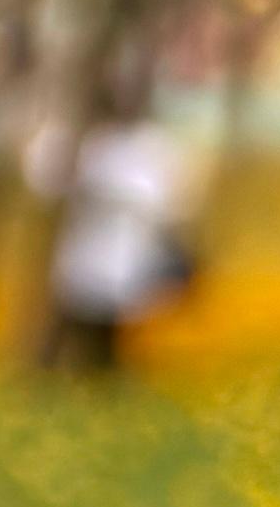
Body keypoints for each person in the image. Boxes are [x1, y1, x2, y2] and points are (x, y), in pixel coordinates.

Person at [43, 70, 197, 376]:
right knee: (81, 304)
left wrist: (105, 192)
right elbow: (46, 179)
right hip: (85, 243)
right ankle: (75, 368)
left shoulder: (150, 143)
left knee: (116, 312)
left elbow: (164, 197)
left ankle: (106, 369)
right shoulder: (76, 136)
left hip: (128, 244)